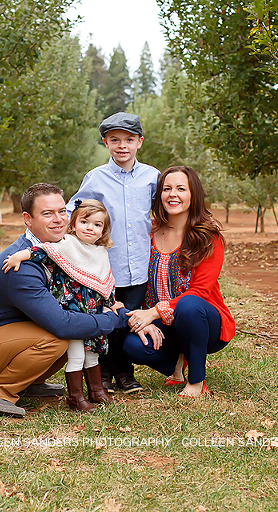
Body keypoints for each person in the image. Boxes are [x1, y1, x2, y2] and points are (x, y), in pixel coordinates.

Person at [0, 184, 130, 417]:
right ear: (28, 219)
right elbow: (62, 324)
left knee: (72, 335)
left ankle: (29, 382)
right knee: (60, 338)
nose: (58, 220)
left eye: (62, 211)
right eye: (47, 214)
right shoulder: (21, 265)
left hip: (16, 332)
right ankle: (0, 392)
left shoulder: (64, 249)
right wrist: (111, 320)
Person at [67, 112, 160, 394]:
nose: (122, 146)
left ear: (139, 142)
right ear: (106, 143)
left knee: (128, 320)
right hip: (107, 265)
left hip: (140, 265)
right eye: (115, 140)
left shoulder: (152, 177)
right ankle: (102, 373)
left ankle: (124, 372)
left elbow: (165, 209)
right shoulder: (96, 178)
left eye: (129, 140)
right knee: (105, 319)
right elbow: (75, 210)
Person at [123, 166, 236, 397]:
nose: (172, 194)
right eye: (167, 189)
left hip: (203, 321)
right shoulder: (149, 231)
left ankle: (196, 380)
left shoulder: (207, 236)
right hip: (166, 325)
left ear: (193, 195)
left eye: (181, 189)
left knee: (189, 305)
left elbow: (201, 291)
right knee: (131, 346)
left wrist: (152, 313)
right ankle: (177, 362)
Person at [2, 199, 123, 412]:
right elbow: (43, 251)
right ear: (73, 224)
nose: (90, 228)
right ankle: (75, 397)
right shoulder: (67, 244)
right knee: (76, 355)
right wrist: (20, 255)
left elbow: (105, 282)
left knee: (92, 354)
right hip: (72, 312)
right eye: (85, 222)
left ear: (103, 230)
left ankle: (96, 392)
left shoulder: (101, 253)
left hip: (93, 313)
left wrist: (111, 304)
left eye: (97, 225)